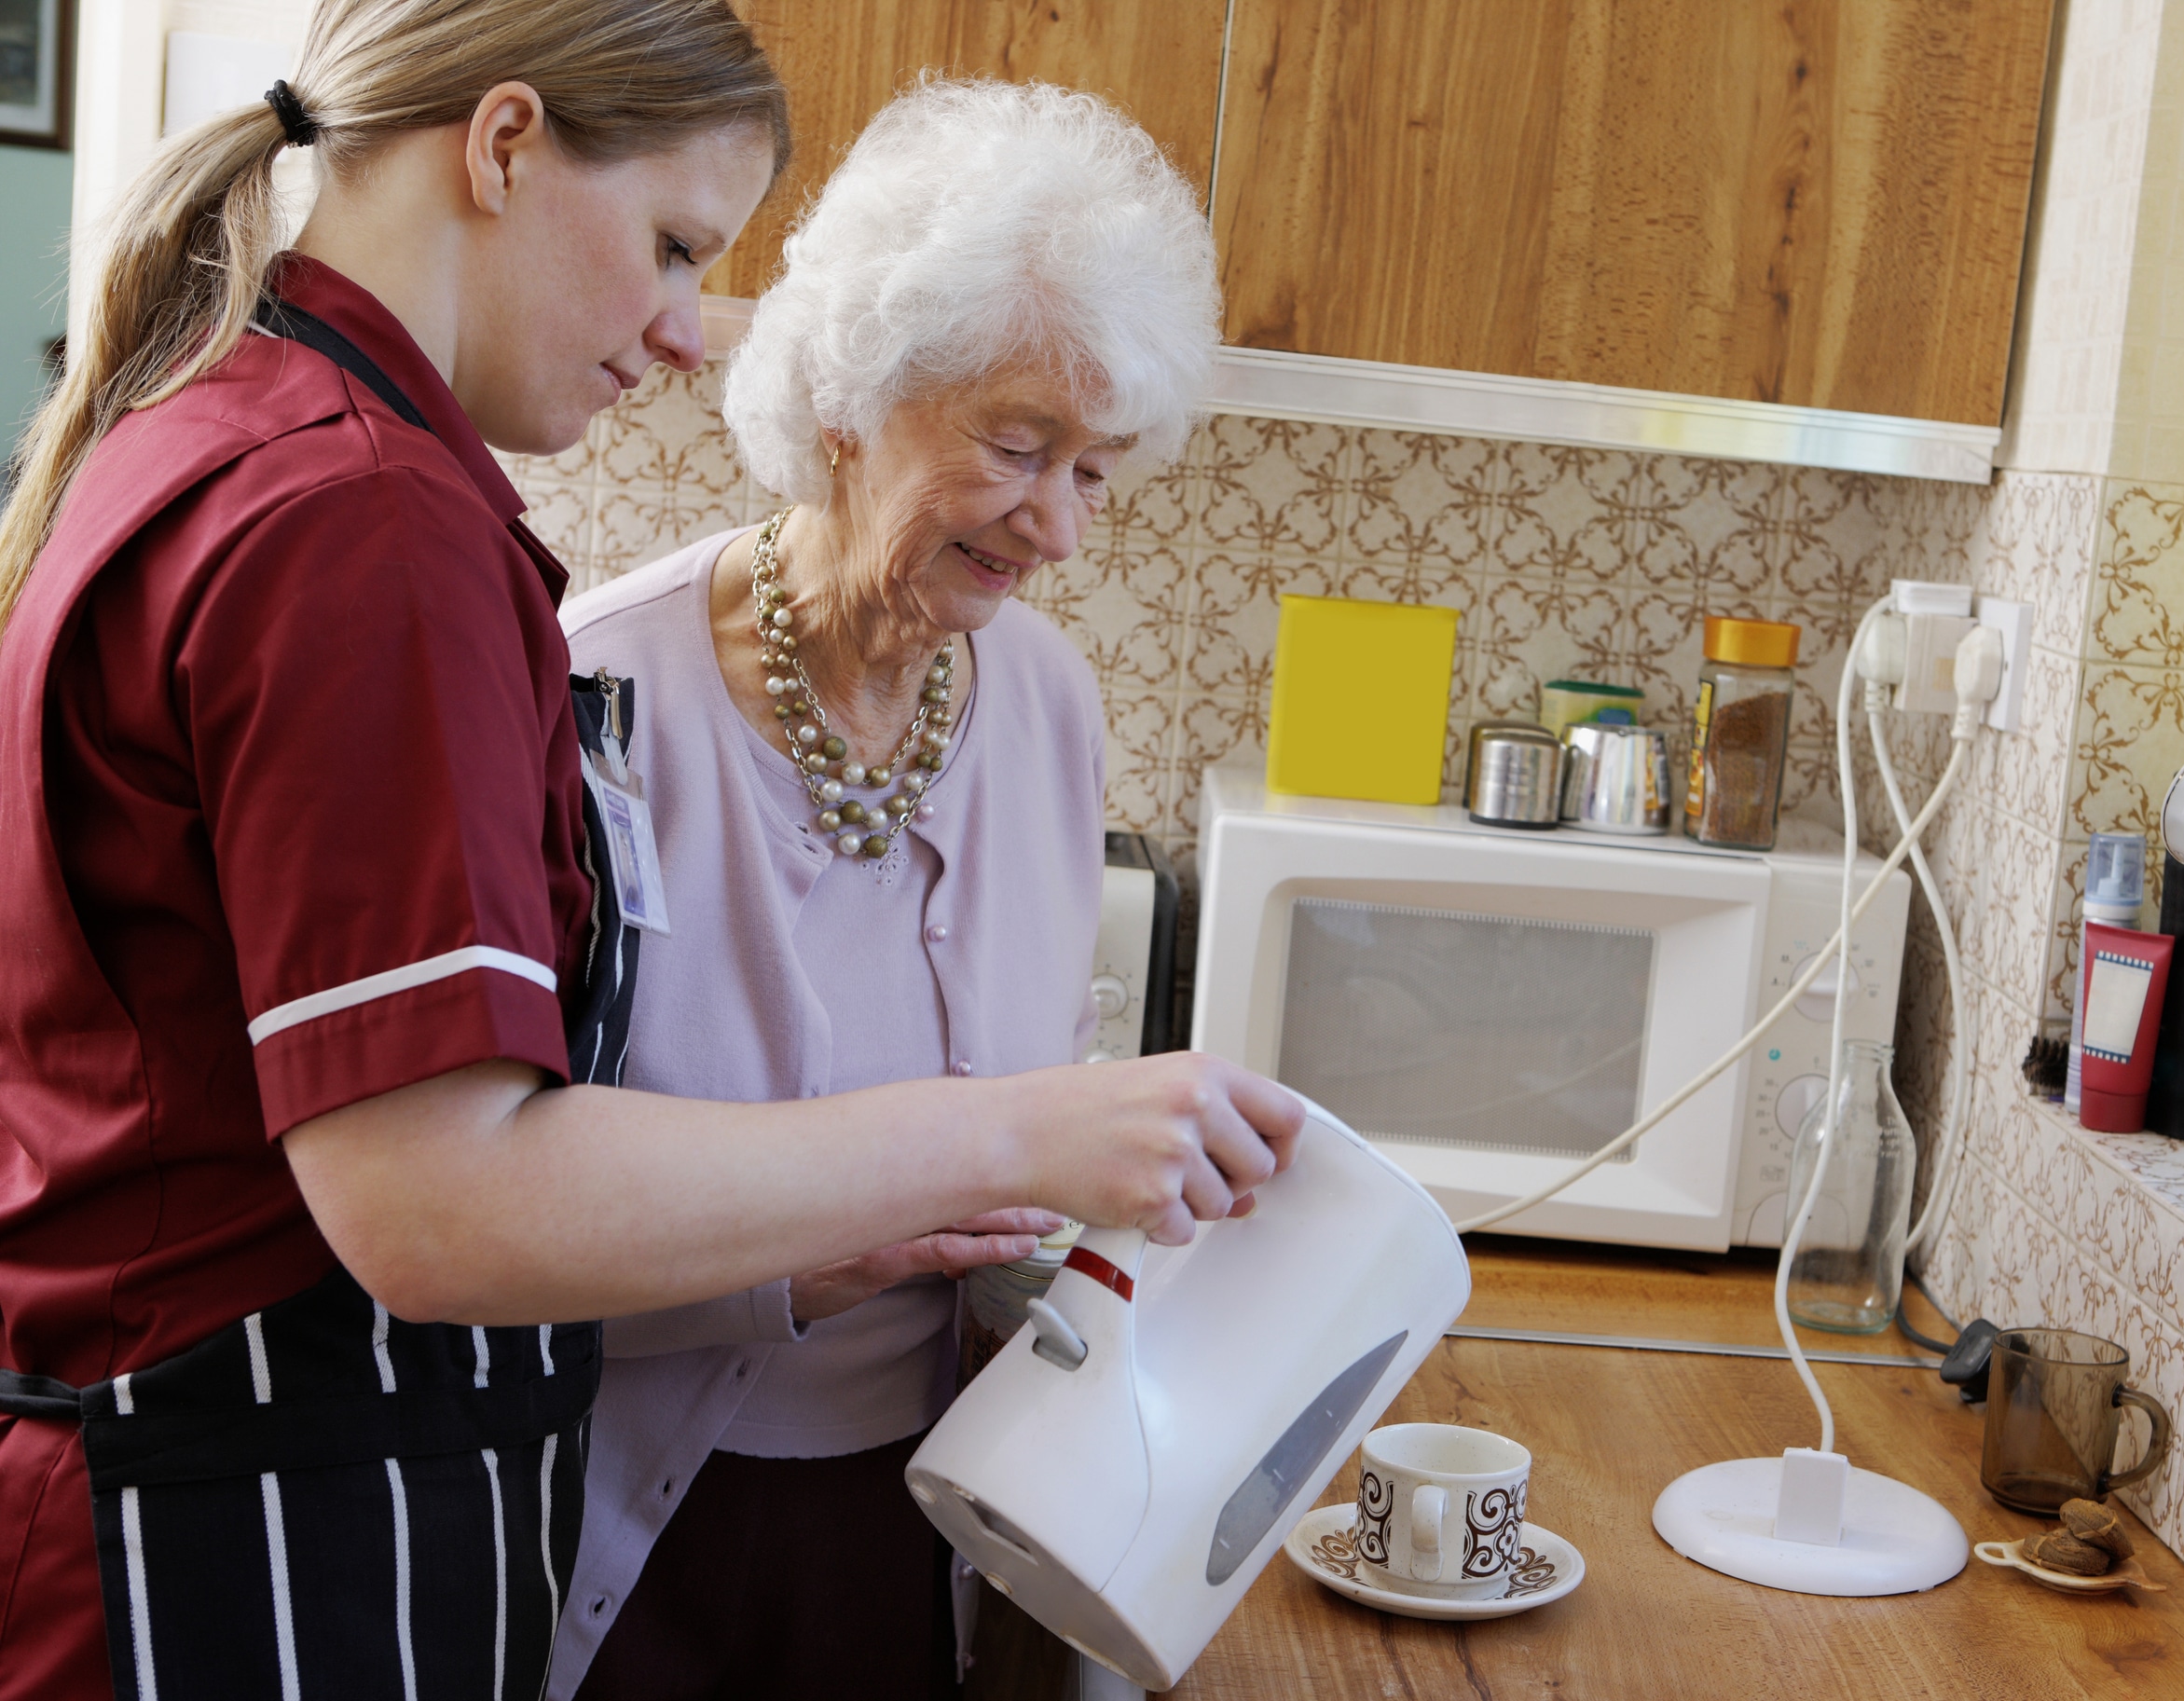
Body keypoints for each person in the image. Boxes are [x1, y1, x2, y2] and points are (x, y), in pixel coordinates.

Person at [0, 8, 1298, 1699]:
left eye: (1096, 469)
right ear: (505, 143)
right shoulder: (362, 519)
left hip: (241, 1511)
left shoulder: (244, 432)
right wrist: (1017, 1131)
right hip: (236, 1534)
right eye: (676, 244)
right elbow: (440, 1200)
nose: (688, 329)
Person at [544, 80, 1223, 1699]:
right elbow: (483, 1246)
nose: (1056, 523)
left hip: (923, 1519)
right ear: (850, 396)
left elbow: (1034, 1134)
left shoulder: (1045, 704)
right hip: (622, 1534)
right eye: (1015, 446)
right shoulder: (591, 701)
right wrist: (799, 1261)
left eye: (1097, 471)